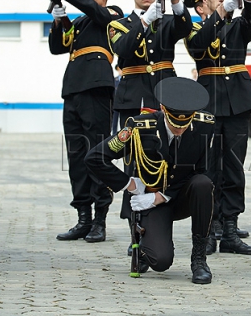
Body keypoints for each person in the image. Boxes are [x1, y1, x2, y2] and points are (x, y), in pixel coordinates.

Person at [84, 77, 215, 284]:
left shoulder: (204, 126)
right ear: (162, 109)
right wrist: (129, 184)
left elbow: (204, 170)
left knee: (203, 184)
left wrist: (163, 196)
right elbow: (95, 158)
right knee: (161, 261)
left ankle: (199, 260)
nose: (179, 129)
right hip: (149, 203)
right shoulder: (139, 128)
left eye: (184, 123)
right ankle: (145, 246)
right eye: (174, 123)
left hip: (180, 197)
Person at [33, 0, 124, 243]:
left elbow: (90, 9)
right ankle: (82, 216)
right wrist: (59, 16)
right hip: (73, 89)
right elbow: (57, 48)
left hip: (97, 89)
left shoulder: (112, 14)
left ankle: (100, 220)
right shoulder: (83, 21)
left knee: (95, 153)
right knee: (76, 157)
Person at [107, 0, 192, 233]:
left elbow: (185, 27)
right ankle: (136, 227)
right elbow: (124, 49)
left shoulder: (168, 21)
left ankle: (164, 215)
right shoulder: (119, 24)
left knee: (170, 157)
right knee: (135, 160)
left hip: (165, 96)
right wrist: (144, 21)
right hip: (135, 98)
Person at [184, 0, 251, 256]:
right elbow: (200, 44)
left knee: (234, 167)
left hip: (238, 100)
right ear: (202, 3)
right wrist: (222, 14)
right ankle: (210, 225)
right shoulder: (194, 28)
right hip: (209, 101)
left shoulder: (236, 26)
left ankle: (230, 228)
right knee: (210, 167)